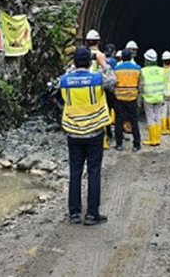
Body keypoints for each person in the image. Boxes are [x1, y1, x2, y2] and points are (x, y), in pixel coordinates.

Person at [59, 46, 115, 226]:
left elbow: (66, 75)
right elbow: (113, 80)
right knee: (94, 172)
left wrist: (73, 65)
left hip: (73, 132)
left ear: (74, 62)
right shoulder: (97, 78)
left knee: (75, 172)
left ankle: (74, 213)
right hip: (94, 132)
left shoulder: (65, 80)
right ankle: (92, 214)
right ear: (90, 61)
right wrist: (103, 62)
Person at [113, 49, 142, 152]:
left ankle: (119, 144)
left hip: (120, 98)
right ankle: (136, 144)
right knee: (134, 121)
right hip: (132, 97)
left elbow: (113, 83)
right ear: (131, 57)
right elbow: (140, 84)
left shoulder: (116, 69)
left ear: (122, 57)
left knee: (119, 122)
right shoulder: (137, 68)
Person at [139, 49, 164, 146]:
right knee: (157, 116)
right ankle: (158, 138)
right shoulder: (161, 70)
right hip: (158, 96)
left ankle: (152, 139)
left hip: (148, 97)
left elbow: (141, 85)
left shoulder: (143, 70)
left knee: (150, 118)